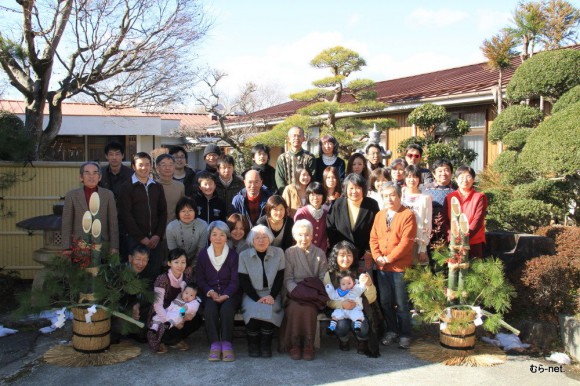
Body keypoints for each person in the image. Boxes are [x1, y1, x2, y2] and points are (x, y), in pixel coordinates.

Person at [369, 182, 417, 349]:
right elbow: (373, 238)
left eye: (392, 195)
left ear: (399, 196)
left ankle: (405, 333)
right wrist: (377, 256)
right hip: (381, 267)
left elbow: (406, 243)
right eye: (385, 196)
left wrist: (388, 258)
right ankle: (392, 331)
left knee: (402, 303)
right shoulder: (380, 215)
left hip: (399, 268)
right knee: (385, 301)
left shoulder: (408, 214)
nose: (389, 199)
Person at [279, 220, 329, 361]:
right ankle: (294, 344)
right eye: (300, 235)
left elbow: (322, 278)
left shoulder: (320, 253)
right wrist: (297, 292)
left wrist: (310, 293)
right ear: (295, 236)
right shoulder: (289, 252)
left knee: (309, 308)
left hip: (313, 293)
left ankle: (308, 345)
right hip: (294, 292)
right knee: (295, 306)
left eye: (307, 235)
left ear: (312, 236)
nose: (304, 238)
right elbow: (287, 278)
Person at [324, 241, 380, 356]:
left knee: (362, 326)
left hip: (359, 309)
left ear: (354, 257)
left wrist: (369, 285)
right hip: (340, 310)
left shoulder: (361, 273)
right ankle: (343, 339)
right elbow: (327, 299)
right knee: (341, 325)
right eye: (342, 255)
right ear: (336, 257)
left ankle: (362, 340)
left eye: (349, 255)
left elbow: (372, 298)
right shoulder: (329, 275)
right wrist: (342, 304)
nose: (346, 258)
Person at [238, 225, 285, 358]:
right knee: (253, 313)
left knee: (269, 313)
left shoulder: (279, 253)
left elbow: (280, 278)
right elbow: (244, 281)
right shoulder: (244, 255)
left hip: (272, 293)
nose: (261, 240)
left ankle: (265, 346)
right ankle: (253, 345)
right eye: (257, 237)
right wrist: (256, 298)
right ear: (252, 241)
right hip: (252, 294)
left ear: (269, 239)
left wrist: (272, 296)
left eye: (264, 237)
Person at [196, 221, 240, 362]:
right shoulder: (203, 255)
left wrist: (226, 294)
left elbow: (235, 280)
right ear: (209, 237)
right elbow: (200, 279)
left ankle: (226, 343)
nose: (218, 238)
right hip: (210, 294)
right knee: (209, 309)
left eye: (222, 235)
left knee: (227, 309)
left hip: (230, 294)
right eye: (214, 234)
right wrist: (211, 292)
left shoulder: (233, 255)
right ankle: (215, 344)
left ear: (226, 237)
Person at [118, 152, 167, 276]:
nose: (144, 168)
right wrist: (141, 237)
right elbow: (126, 215)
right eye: (140, 165)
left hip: (155, 241)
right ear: (134, 167)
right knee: (134, 276)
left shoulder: (157, 187)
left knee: (153, 273)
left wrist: (158, 235)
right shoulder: (126, 187)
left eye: (147, 164)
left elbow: (163, 212)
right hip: (134, 240)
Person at [147, 248, 203, 354]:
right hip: (163, 313)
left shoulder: (186, 277)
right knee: (166, 329)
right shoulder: (162, 279)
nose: (180, 265)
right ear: (169, 263)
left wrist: (183, 318)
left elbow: (190, 300)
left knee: (197, 320)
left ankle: (173, 339)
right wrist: (171, 322)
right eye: (176, 262)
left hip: (179, 311)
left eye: (183, 262)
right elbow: (157, 306)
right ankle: (168, 340)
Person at [62, 162, 119, 254]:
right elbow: (67, 223)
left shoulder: (108, 195)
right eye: (87, 173)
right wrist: (66, 247)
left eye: (95, 173)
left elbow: (113, 223)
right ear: (81, 177)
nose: (91, 176)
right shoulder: (71, 195)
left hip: (102, 245)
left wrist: (114, 246)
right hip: (79, 246)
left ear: (99, 177)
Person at [326, 173, 380, 263]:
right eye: (351, 188)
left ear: (363, 189)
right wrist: (339, 250)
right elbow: (331, 228)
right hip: (342, 257)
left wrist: (369, 251)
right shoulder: (337, 204)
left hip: (364, 256)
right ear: (345, 189)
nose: (354, 191)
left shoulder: (372, 205)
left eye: (358, 188)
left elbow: (377, 230)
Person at [443, 166, 488, 259]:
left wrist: (464, 239)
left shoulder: (479, 197)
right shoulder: (449, 197)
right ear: (455, 179)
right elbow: (445, 220)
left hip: (474, 241)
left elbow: (478, 220)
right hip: (453, 242)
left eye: (468, 177)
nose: (465, 180)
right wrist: (452, 237)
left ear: (473, 179)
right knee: (454, 270)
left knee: (473, 271)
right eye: (461, 177)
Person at [402, 165, 432, 265]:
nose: (412, 180)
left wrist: (423, 248)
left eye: (415, 177)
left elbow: (427, 223)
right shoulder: (400, 195)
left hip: (418, 241)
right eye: (409, 177)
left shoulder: (425, 198)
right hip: (401, 240)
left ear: (419, 179)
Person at [165, 197, 209, 266]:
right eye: (183, 211)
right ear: (178, 212)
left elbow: (201, 250)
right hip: (177, 261)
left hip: (197, 260)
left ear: (195, 211)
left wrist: (192, 266)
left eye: (190, 210)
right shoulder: (171, 227)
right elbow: (173, 252)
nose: (187, 214)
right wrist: (182, 265)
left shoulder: (203, 225)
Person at [423, 159, 456, 245]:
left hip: (452, 230)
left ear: (451, 173)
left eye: (446, 170)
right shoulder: (425, 189)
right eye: (440, 171)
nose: (443, 173)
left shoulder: (457, 189)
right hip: (430, 230)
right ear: (434, 174)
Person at [275, 126, 315, 194]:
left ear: (303, 138)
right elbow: (279, 179)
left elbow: (312, 177)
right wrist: (286, 194)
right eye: (294, 136)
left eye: (299, 136)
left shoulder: (309, 157)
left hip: (305, 195)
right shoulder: (282, 158)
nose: (296, 138)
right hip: (287, 195)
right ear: (289, 139)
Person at [294, 182, 328, 253]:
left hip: (321, 253)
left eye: (318, 194)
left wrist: (320, 252)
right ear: (308, 196)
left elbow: (325, 236)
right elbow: (298, 236)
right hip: (302, 252)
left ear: (323, 196)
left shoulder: (326, 213)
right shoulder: (301, 213)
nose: (315, 198)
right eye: (312, 194)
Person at [155, 153, 185, 224]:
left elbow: (182, 208)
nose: (167, 168)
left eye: (170, 165)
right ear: (157, 167)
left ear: (174, 167)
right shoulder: (152, 186)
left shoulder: (180, 186)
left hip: (175, 227)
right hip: (156, 229)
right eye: (164, 165)